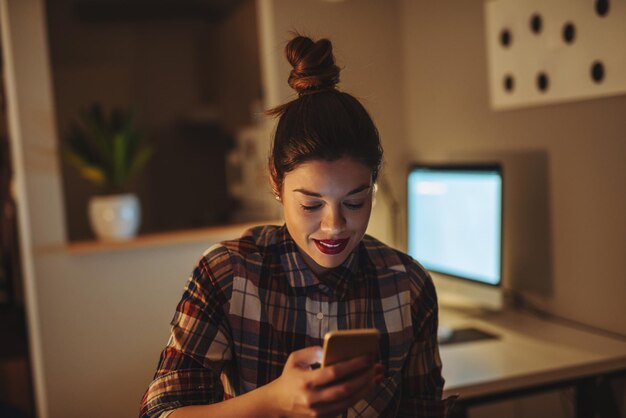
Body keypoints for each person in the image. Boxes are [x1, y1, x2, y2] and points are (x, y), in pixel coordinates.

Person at [139, 35, 455, 418]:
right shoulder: (228, 274)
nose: (334, 225)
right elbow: (160, 413)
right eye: (310, 204)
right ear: (275, 181)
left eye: (355, 202)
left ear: (373, 184)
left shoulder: (408, 285)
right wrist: (272, 400)